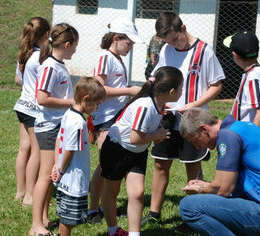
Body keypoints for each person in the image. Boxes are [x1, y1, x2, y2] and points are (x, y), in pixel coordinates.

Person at [141, 12, 225, 230]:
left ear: (183, 28)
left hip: (193, 119)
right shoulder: (168, 50)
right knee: (161, 164)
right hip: (168, 117)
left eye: (175, 38)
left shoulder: (204, 50)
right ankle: (154, 214)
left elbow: (217, 85)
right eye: (167, 41)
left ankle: (194, 214)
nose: (172, 44)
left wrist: (194, 104)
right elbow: (159, 76)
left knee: (192, 166)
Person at [178, 107, 260, 236]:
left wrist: (200, 190)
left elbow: (224, 189)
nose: (197, 146)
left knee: (188, 207)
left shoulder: (227, 136)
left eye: (195, 140)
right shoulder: (241, 126)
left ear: (204, 129)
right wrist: (207, 185)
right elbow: (229, 184)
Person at [100, 66, 184, 236]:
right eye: (181, 87)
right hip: (117, 150)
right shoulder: (145, 105)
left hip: (137, 152)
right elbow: (135, 137)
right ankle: (112, 230)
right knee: (112, 191)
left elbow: (142, 136)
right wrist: (157, 135)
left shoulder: (159, 104)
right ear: (172, 91)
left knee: (137, 193)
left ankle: (134, 234)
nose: (182, 91)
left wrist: (156, 133)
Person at [88, 18, 143, 224]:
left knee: (112, 164)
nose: (130, 48)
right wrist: (129, 90)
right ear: (117, 38)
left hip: (118, 117)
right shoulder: (105, 57)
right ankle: (93, 209)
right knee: (105, 164)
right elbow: (99, 88)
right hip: (105, 118)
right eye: (129, 43)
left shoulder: (117, 58)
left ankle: (105, 206)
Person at [29, 23, 79, 236]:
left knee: (53, 174)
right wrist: (71, 102)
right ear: (67, 44)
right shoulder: (49, 66)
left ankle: (44, 218)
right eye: (75, 46)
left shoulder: (59, 64)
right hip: (49, 127)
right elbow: (42, 98)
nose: (76, 50)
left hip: (58, 126)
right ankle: (35, 226)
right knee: (47, 175)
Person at [51, 77, 106, 236]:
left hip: (65, 177)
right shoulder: (78, 123)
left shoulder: (68, 114)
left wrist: (56, 164)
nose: (97, 107)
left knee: (64, 216)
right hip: (73, 180)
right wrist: (60, 171)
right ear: (86, 99)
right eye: (96, 104)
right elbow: (69, 149)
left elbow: (58, 139)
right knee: (68, 219)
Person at [13, 17, 50, 206]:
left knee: (23, 149)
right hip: (34, 109)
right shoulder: (41, 58)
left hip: (22, 106)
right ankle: (29, 196)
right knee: (36, 151)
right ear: (46, 34)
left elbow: (18, 81)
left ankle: (20, 192)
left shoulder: (24, 53)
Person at [223, 30, 260, 138]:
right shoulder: (252, 73)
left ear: (235, 55)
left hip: (251, 140)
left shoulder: (255, 76)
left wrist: (252, 138)